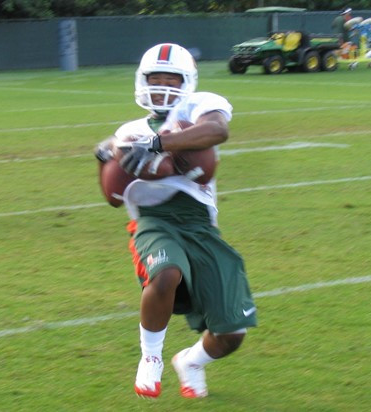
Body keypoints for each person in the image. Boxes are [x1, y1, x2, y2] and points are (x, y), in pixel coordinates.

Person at [95, 43, 257, 399]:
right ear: (142, 82)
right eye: (156, 78)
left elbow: (217, 131)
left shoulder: (199, 105)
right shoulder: (127, 131)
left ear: (188, 82)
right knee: (166, 272)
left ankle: (191, 361)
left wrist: (159, 144)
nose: (163, 86)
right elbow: (111, 196)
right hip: (153, 222)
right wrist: (105, 157)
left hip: (199, 224)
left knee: (232, 334)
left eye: (172, 78)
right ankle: (150, 357)